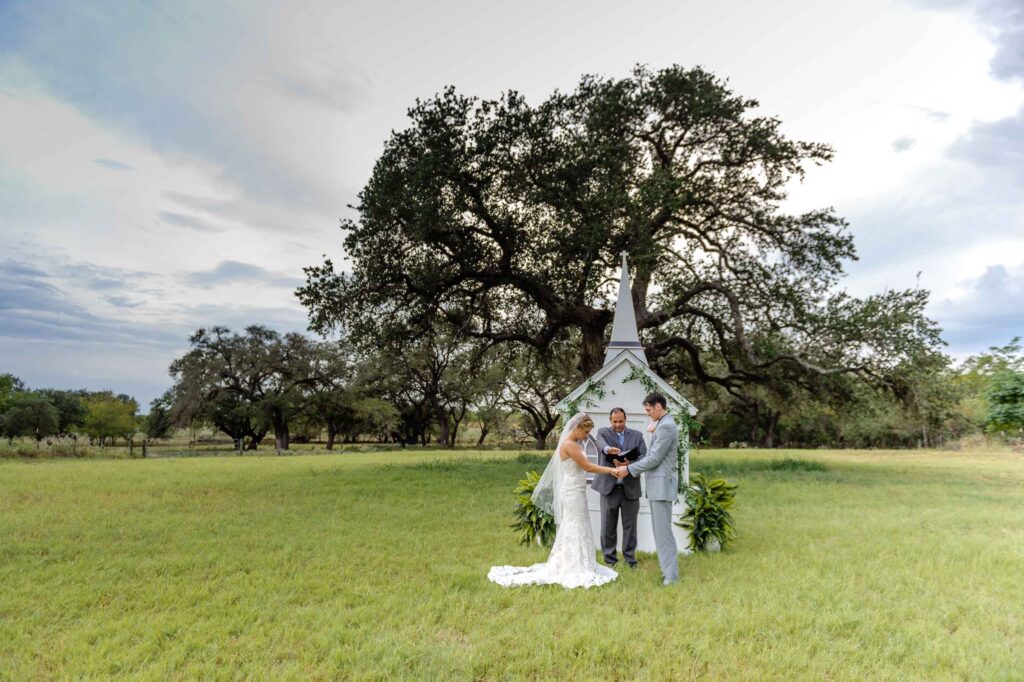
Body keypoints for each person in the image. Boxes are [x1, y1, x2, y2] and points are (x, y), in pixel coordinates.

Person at [488, 413, 624, 589]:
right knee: (575, 525)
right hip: (573, 492)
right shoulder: (570, 445)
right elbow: (587, 466)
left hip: (575, 489)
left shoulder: (573, 443)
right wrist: (612, 470)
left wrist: (608, 451)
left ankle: (578, 562)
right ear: (578, 428)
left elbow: (587, 458)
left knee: (575, 524)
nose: (586, 436)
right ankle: (574, 565)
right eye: (586, 432)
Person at [615, 393, 680, 585]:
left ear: (658, 406)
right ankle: (667, 573)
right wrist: (653, 430)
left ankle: (671, 578)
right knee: (660, 533)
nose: (648, 414)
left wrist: (628, 469)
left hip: (661, 487)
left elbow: (654, 459)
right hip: (657, 487)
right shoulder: (662, 424)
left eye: (649, 410)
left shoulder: (667, 426)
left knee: (663, 534)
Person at [593, 408, 646, 568]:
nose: (618, 424)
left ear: (625, 419)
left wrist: (629, 464)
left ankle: (630, 560)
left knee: (630, 527)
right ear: (610, 420)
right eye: (615, 421)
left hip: (630, 489)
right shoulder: (602, 432)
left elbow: (644, 456)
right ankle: (610, 561)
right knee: (607, 526)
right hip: (609, 489)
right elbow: (600, 444)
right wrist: (608, 450)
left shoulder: (637, 435)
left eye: (620, 421)